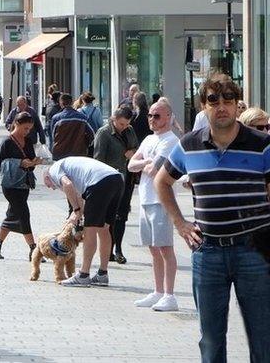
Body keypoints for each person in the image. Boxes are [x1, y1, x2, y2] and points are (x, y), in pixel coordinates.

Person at [154, 78, 270, 361]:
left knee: (263, 338)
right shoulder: (189, 144)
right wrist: (181, 225)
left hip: (253, 250)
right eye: (213, 101)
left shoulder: (262, 144)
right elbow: (161, 181)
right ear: (203, 107)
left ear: (236, 104)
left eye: (228, 100)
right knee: (210, 341)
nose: (222, 107)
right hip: (208, 253)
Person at [126, 98, 180, 311]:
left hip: (161, 200)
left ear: (168, 116)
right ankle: (158, 291)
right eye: (150, 115)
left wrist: (145, 163)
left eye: (157, 115)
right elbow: (131, 165)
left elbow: (153, 169)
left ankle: (170, 294)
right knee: (153, 248)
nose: (152, 119)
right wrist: (147, 162)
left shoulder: (170, 140)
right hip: (146, 198)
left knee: (165, 247)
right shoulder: (148, 139)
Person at [43, 156, 126, 287]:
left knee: (90, 229)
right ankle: (102, 274)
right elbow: (79, 196)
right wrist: (77, 212)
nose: (52, 188)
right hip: (116, 179)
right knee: (104, 228)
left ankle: (83, 274)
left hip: (99, 183)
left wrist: (76, 210)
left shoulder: (54, 170)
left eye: (48, 185)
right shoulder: (70, 168)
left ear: (47, 177)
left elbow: (67, 185)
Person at [0, 112, 42, 260]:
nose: (27, 131)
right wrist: (18, 163)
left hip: (24, 184)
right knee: (24, 214)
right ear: (16, 124)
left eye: (29, 129)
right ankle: (33, 249)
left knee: (12, 215)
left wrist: (34, 162)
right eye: (25, 128)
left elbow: (30, 163)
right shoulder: (7, 142)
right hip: (10, 186)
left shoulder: (29, 141)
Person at [92, 106, 139, 264]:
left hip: (126, 179)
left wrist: (132, 152)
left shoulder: (129, 131)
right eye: (121, 124)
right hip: (109, 180)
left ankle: (118, 249)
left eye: (126, 124)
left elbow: (136, 148)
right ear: (113, 119)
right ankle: (108, 250)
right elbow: (98, 159)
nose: (124, 127)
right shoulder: (104, 133)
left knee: (122, 216)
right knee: (108, 218)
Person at [49, 93, 95, 160]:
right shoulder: (83, 118)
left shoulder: (56, 118)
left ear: (61, 103)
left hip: (60, 153)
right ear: (72, 102)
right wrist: (85, 145)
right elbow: (92, 134)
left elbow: (53, 136)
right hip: (78, 153)